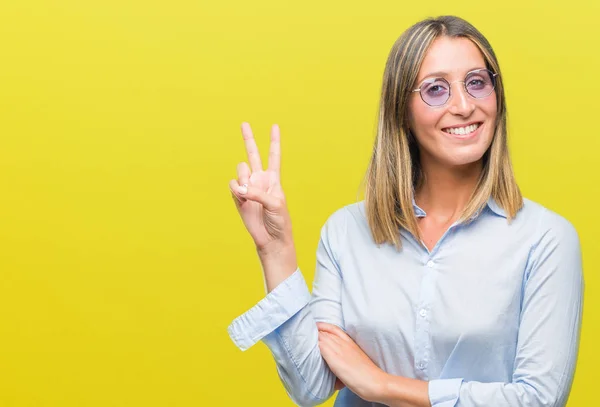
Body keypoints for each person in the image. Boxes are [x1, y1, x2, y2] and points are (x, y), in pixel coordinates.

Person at [226, 15, 584, 407]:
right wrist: (274, 250)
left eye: (477, 82)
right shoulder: (346, 232)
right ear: (402, 110)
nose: (464, 106)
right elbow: (310, 388)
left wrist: (382, 386)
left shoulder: (546, 239)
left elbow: (539, 399)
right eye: (436, 89)